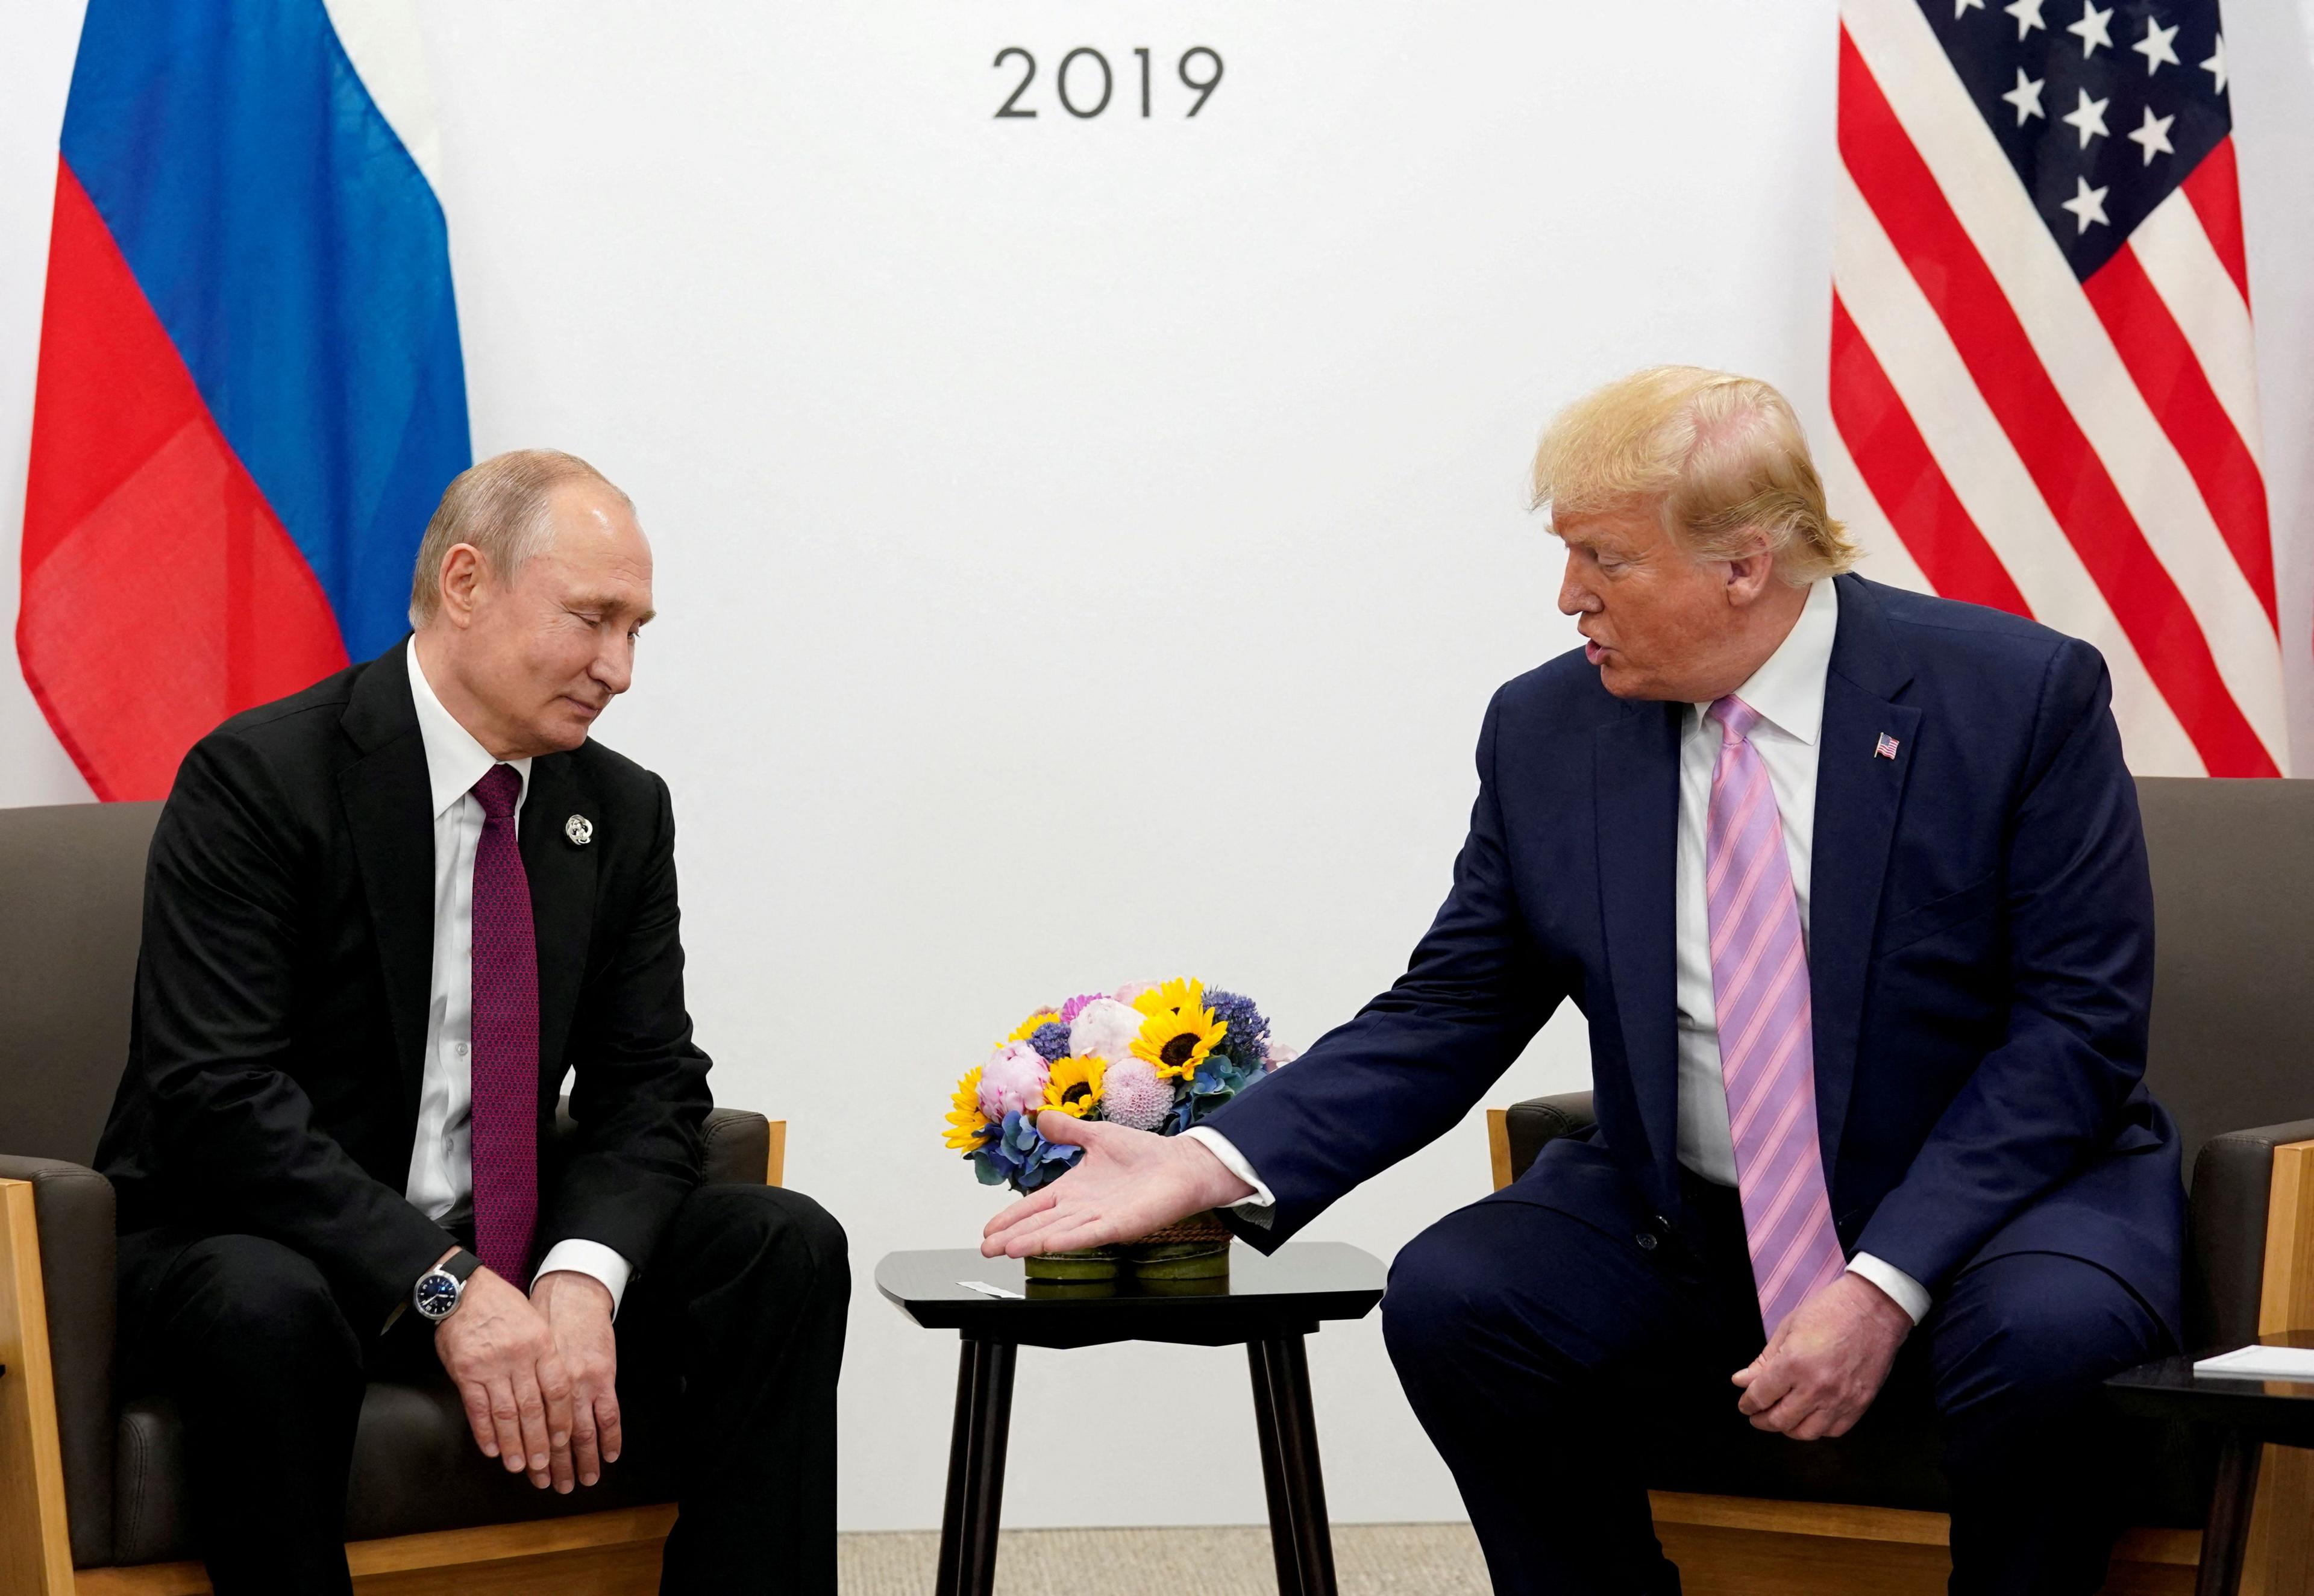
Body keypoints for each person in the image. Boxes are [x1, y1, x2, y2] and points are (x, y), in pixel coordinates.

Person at [983, 368, 2181, 1595]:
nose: (1570, 599)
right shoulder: (1549, 730)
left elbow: (2075, 1032)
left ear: (1745, 565)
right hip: (1700, 1215)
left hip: (1998, 1206)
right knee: (1461, 1295)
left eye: (1604, 560)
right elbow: (1452, 1004)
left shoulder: (2016, 697)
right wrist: (1217, 1158)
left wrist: (1883, 1279)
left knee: (2049, 1340)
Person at [98, 449, 848, 1595]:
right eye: (594, 620)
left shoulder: (622, 810)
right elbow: (216, 1098)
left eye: (638, 630)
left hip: (510, 1248)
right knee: (263, 1300)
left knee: (781, 1245)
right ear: (465, 584)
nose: (621, 668)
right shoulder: (262, 777)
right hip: (279, 1248)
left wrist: (583, 1276)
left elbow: (653, 1086)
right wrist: (443, 1282)